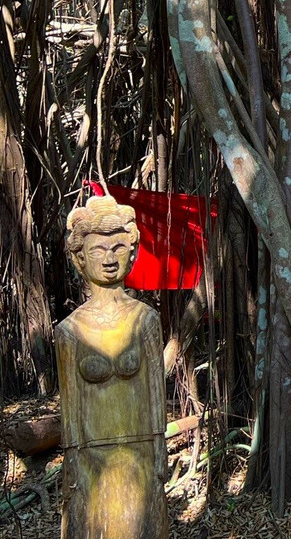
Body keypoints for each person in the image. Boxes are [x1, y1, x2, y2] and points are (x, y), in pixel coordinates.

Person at [56, 195, 168, 539]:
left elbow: (154, 393)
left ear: (132, 254)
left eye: (118, 248)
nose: (108, 259)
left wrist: (159, 448)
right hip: (91, 456)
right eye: (97, 251)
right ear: (79, 258)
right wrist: (72, 461)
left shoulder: (145, 320)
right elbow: (71, 409)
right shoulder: (70, 331)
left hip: (140, 453)